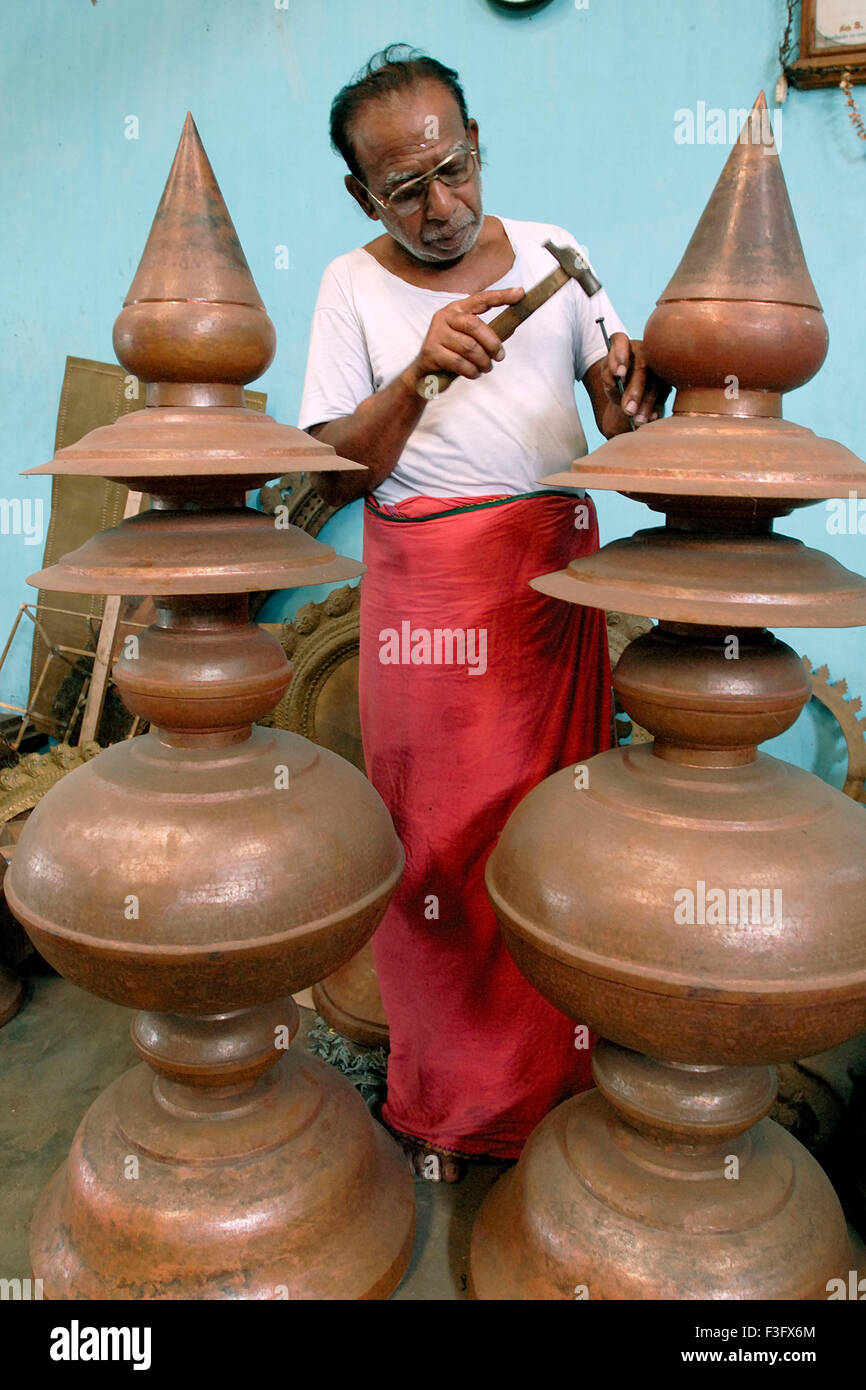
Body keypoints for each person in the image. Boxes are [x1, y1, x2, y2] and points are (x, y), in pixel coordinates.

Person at [301, 45, 668, 1181]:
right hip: (428, 607)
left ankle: (552, 1088)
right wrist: (414, 376)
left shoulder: (561, 252)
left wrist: (623, 403)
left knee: (547, 841)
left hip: (548, 594)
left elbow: (620, 428)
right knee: (433, 858)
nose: (439, 205)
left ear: (476, 145)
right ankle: (445, 1110)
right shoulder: (348, 286)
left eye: (452, 169)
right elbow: (328, 474)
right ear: (363, 195)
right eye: (403, 190)